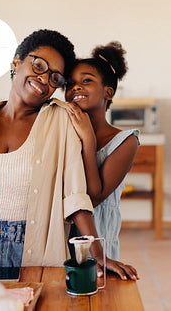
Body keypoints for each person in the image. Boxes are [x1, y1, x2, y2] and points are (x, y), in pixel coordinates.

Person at [0, 29, 137, 280]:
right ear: (16, 63)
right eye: (38, 66)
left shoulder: (61, 119)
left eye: (55, 77)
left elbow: (76, 195)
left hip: (31, 255)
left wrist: (97, 253)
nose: (45, 78)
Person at [64, 41, 139, 261]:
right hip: (63, 237)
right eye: (70, 84)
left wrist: (88, 138)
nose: (76, 87)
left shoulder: (125, 141)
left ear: (108, 91)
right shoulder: (64, 132)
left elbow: (94, 197)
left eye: (86, 80)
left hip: (98, 242)